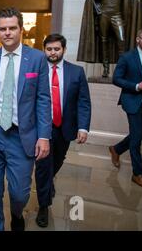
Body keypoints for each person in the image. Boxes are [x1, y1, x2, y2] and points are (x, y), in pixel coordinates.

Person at [0, 7, 51, 231]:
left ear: (21, 30)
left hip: (22, 136)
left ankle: (17, 213)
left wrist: (44, 136)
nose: (7, 33)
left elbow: (43, 99)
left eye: (12, 28)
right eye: (2, 29)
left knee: (20, 192)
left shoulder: (37, 59)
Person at [34, 34, 91, 228]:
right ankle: (43, 205)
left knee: (57, 160)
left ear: (64, 50)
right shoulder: (37, 70)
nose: (52, 52)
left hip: (65, 128)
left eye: (56, 49)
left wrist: (83, 127)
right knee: (42, 164)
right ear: (44, 50)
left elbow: (83, 101)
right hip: (42, 126)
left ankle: (48, 182)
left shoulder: (77, 72)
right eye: (49, 49)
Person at [77, 0, 142, 78]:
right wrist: (98, 10)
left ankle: (121, 69)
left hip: (117, 16)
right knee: (104, 41)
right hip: (104, 16)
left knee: (122, 41)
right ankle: (106, 68)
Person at [109, 27, 142, 190]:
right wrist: (136, 86)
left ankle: (116, 149)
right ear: (138, 39)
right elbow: (117, 79)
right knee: (136, 138)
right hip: (132, 100)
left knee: (140, 134)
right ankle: (138, 173)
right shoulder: (127, 57)